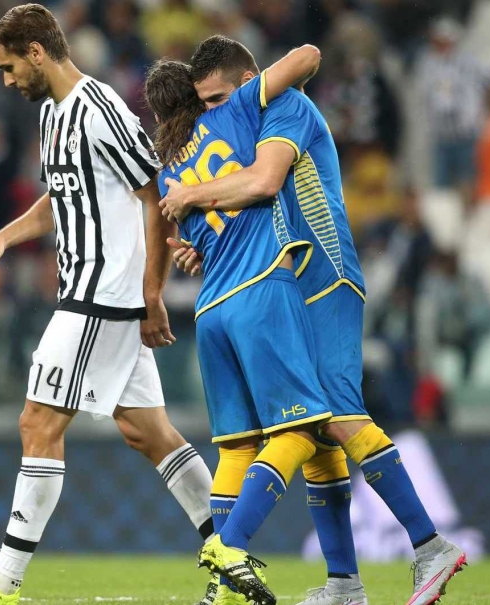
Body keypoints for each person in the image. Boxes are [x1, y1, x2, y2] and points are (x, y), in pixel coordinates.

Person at [0, 5, 214, 605]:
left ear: (37, 52)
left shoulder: (99, 108)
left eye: (9, 68)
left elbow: (154, 193)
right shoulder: (53, 115)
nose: (6, 82)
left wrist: (151, 293)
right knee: (150, 434)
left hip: (100, 296)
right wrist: (3, 237)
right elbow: (61, 197)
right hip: (91, 293)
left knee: (38, 423)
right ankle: (230, 555)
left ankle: (1, 584)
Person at [161, 36, 466, 605]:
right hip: (286, 280)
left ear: (251, 78)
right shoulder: (241, 122)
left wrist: (196, 196)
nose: (213, 113)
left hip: (324, 273)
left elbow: (264, 180)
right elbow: (253, 206)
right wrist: (210, 243)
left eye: (220, 98)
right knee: (320, 431)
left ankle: (430, 547)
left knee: (340, 415)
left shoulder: (285, 107)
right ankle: (344, 583)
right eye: (204, 104)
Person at [146, 56, 333, 605]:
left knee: (235, 449)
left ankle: (223, 590)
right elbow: (304, 58)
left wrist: (185, 252)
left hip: (210, 313)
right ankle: (230, 547)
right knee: (301, 429)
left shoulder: (169, 172)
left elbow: (193, 242)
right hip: (260, 290)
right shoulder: (233, 118)